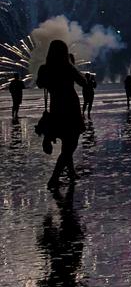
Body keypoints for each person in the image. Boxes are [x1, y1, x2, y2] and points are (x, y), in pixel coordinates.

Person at [36, 39, 87, 191]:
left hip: (56, 108)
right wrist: (72, 66)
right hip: (71, 108)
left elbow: (40, 84)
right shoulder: (67, 67)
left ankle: (71, 172)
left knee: (66, 141)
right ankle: (54, 178)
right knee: (70, 145)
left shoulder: (44, 68)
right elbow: (83, 82)